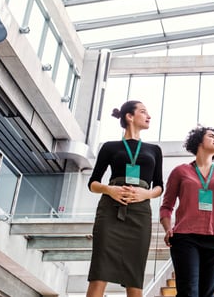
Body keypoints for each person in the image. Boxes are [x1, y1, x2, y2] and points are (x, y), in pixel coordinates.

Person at [86, 100, 163, 297]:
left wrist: (146, 194)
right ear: (129, 116)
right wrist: (109, 189)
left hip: (140, 213)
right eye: (144, 112)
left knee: (134, 278)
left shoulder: (154, 150)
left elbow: (159, 187)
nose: (149, 116)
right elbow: (93, 183)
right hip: (110, 210)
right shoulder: (109, 147)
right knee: (99, 274)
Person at [159, 126, 214, 297]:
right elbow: (166, 206)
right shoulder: (180, 171)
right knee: (188, 292)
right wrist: (167, 228)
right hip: (186, 238)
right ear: (198, 141)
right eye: (211, 136)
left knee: (207, 293)